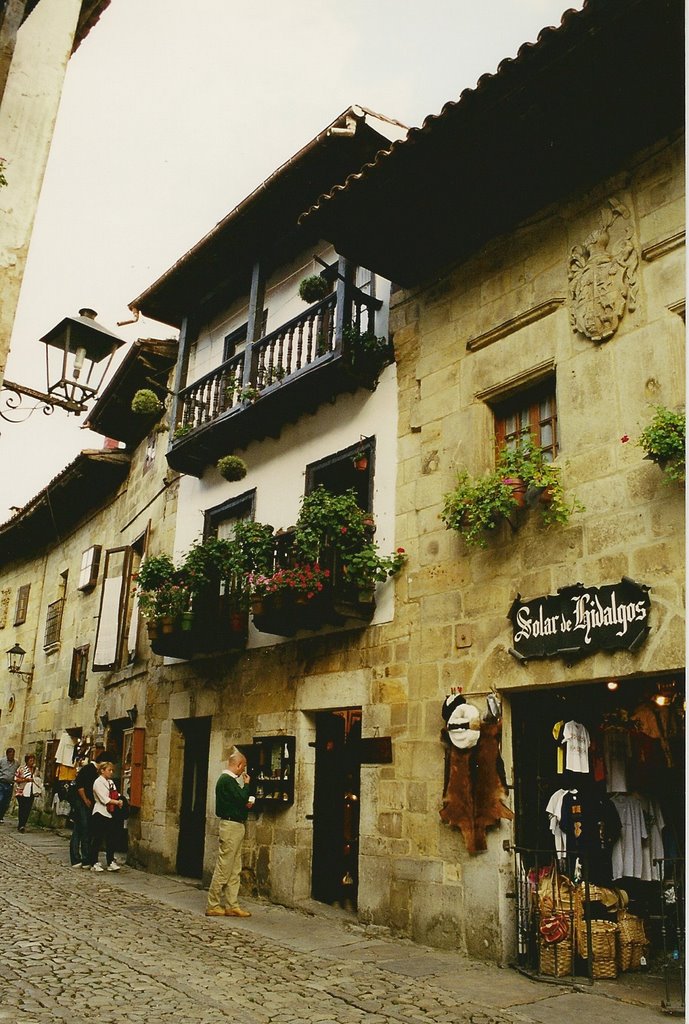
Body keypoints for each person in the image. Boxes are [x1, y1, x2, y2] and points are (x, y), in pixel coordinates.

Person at [205, 748, 254, 917]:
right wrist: (246, 786)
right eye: (243, 766)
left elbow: (236, 801)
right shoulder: (227, 780)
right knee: (224, 866)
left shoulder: (228, 781)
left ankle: (232, 904)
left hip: (236, 825)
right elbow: (241, 797)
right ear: (239, 765)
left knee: (234, 867)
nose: (244, 770)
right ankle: (213, 903)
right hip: (231, 825)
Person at [70, 743, 105, 868]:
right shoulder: (88, 769)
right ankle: (78, 858)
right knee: (81, 828)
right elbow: (80, 786)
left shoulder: (97, 772)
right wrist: (85, 800)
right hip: (81, 802)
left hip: (89, 803)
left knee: (84, 829)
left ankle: (84, 858)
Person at [90, 761, 123, 872]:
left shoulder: (111, 782)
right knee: (98, 838)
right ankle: (94, 861)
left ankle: (110, 861)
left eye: (112, 770)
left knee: (111, 838)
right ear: (102, 770)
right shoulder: (98, 782)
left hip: (110, 812)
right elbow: (104, 799)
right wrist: (117, 802)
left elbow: (115, 793)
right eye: (109, 770)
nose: (111, 772)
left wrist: (119, 799)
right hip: (100, 812)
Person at [14, 753, 38, 832]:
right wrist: (25, 780)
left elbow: (38, 779)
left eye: (33, 760)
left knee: (28, 808)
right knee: (22, 808)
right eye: (30, 760)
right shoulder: (21, 769)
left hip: (31, 792)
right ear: (27, 761)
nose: (32, 761)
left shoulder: (35, 770)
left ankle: (23, 824)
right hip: (22, 791)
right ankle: (21, 824)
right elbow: (16, 779)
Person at [0, 747, 19, 823]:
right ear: (7, 754)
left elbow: (18, 772)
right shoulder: (1, 761)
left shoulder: (16, 763)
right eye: (10, 754)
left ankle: (1, 816)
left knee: (6, 802)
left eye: (13, 754)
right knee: (0, 799)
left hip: (10, 784)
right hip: (1, 783)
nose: (12, 756)